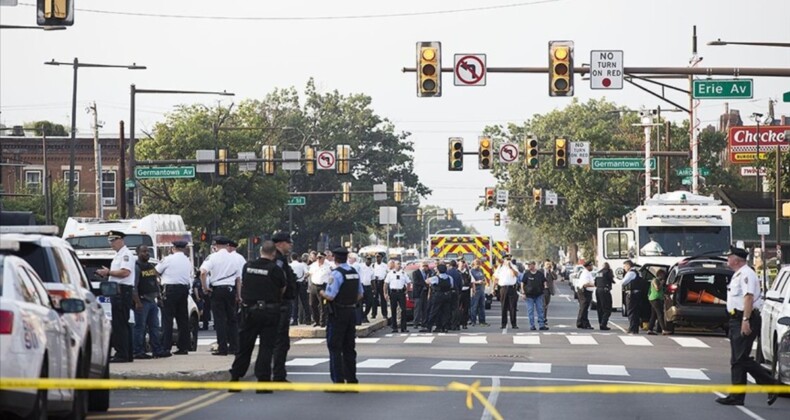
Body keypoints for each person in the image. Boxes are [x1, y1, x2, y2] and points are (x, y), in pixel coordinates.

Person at [715, 246, 779, 407]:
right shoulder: (738, 274)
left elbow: (748, 298)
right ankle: (737, 396)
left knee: (741, 358)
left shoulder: (746, 274)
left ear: (736, 259)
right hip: (736, 319)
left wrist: (745, 320)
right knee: (737, 359)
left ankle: (771, 384)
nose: (727, 259)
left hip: (745, 318)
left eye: (729, 257)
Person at [229, 241, 286, 393]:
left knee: (244, 346)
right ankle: (263, 382)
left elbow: (244, 282)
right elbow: (282, 288)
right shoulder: (275, 269)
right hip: (269, 312)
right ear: (274, 253)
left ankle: (235, 378)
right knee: (266, 348)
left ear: (260, 251)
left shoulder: (248, 266)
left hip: (249, 311)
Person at [320, 247, 363, 387]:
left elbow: (330, 296)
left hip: (338, 313)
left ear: (334, 257)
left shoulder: (336, 274)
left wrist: (320, 292)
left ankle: (338, 380)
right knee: (349, 347)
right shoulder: (354, 272)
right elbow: (360, 294)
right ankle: (351, 379)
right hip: (351, 312)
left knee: (335, 346)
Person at [97, 230, 136, 363]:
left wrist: (108, 273)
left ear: (120, 240)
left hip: (122, 291)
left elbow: (125, 272)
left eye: (113, 241)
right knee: (121, 324)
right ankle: (126, 353)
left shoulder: (126, 255)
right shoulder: (119, 255)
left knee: (121, 324)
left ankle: (122, 354)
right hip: (118, 292)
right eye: (110, 241)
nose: (111, 244)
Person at [201, 236, 241, 356]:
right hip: (231, 291)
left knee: (220, 320)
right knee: (232, 320)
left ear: (215, 245)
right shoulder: (234, 258)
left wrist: (205, 287)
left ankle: (222, 347)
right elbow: (238, 279)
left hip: (217, 290)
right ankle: (234, 347)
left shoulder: (212, 257)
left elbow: (203, 272)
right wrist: (238, 295)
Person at [132, 245, 169, 359]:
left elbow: (155, 283)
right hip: (142, 301)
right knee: (140, 327)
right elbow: (134, 286)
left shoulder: (151, 266)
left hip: (152, 301)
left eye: (148, 251)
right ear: (137, 252)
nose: (147, 253)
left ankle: (157, 350)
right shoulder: (136, 267)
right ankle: (138, 351)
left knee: (155, 327)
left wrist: (159, 297)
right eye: (143, 251)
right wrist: (137, 302)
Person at [157, 240, 194, 355]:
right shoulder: (187, 261)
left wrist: (160, 279)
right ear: (183, 248)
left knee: (167, 319)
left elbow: (156, 271)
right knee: (183, 320)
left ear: (173, 248)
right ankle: (183, 347)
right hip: (183, 290)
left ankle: (165, 347)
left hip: (170, 290)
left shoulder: (168, 259)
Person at [272, 231, 297, 383]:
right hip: (280, 306)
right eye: (288, 242)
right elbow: (280, 284)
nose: (291, 245)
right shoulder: (278, 261)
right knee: (280, 342)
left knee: (280, 341)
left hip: (279, 305)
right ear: (280, 244)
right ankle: (278, 375)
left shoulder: (281, 260)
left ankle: (278, 373)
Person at [420, 264, 453, 333]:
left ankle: (429, 327)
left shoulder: (436, 278)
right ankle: (444, 327)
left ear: (438, 270)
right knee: (445, 312)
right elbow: (451, 285)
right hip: (447, 296)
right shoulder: (450, 278)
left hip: (438, 296)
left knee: (434, 311)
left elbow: (426, 281)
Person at [493, 254, 519, 329]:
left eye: (509, 259)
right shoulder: (500, 267)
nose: (508, 260)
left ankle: (514, 324)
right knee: (503, 306)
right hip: (503, 288)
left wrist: (510, 267)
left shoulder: (514, 267)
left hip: (512, 288)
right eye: (507, 259)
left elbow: (515, 275)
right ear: (504, 260)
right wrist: (493, 288)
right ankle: (503, 323)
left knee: (512, 307)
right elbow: (496, 278)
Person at [621, 260, 646, 334]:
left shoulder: (631, 273)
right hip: (636, 294)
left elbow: (623, 282)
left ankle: (632, 328)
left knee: (631, 311)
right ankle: (634, 328)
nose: (624, 268)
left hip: (632, 295)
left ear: (628, 265)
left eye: (625, 266)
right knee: (635, 312)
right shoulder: (637, 272)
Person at [384, 260, 410, 333]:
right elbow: (385, 284)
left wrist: (407, 290)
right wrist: (385, 293)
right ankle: (394, 327)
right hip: (393, 293)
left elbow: (408, 282)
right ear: (394, 265)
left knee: (403, 310)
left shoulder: (403, 273)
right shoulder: (390, 273)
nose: (399, 265)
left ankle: (403, 327)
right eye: (397, 264)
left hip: (401, 292)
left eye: (399, 264)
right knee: (393, 310)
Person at [522, 261, 548, 331]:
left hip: (539, 295)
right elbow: (522, 283)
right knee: (530, 311)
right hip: (529, 296)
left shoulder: (540, 274)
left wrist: (545, 286)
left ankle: (541, 325)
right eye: (528, 265)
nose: (529, 266)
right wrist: (523, 293)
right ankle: (532, 325)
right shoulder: (526, 274)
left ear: (534, 265)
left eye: (530, 265)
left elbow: (544, 281)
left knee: (540, 310)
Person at [308, 252, 331, 327]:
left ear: (324, 258)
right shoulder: (313, 265)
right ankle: (316, 320)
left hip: (323, 287)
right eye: (318, 257)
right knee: (312, 304)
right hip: (314, 286)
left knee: (323, 305)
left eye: (320, 258)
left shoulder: (328, 266)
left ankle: (322, 322)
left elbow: (331, 277)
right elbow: (310, 274)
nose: (319, 259)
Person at [290, 253, 310, 326]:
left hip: (293, 284)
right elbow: (308, 273)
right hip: (301, 284)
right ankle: (308, 319)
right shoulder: (301, 265)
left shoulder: (290, 265)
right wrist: (303, 278)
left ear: (291, 258)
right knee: (305, 302)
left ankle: (295, 320)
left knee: (294, 303)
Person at [648, 269, 669, 335]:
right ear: (660, 274)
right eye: (663, 275)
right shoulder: (655, 280)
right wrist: (662, 283)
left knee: (653, 315)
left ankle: (650, 329)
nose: (664, 277)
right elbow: (657, 288)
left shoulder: (657, 280)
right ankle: (664, 329)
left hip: (656, 298)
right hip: (655, 299)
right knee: (660, 314)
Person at [595, 262, 615, 330]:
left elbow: (595, 282)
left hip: (598, 290)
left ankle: (600, 323)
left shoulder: (599, 272)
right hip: (605, 291)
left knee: (600, 308)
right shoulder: (608, 271)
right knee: (607, 308)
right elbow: (611, 280)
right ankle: (603, 324)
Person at [575, 261, 595, 330]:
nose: (592, 267)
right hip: (584, 292)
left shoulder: (587, 273)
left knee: (584, 308)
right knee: (584, 308)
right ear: (588, 266)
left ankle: (581, 322)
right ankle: (583, 323)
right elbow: (585, 284)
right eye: (591, 266)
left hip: (586, 292)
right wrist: (594, 284)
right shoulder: (585, 273)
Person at [468, 259, 488, 327]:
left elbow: (484, 278)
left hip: (482, 290)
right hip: (475, 290)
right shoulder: (471, 271)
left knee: (482, 306)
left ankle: (482, 321)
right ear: (474, 264)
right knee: (474, 306)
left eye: (479, 264)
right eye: (477, 264)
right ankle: (473, 320)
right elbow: (471, 281)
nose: (478, 265)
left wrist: (484, 282)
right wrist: (477, 282)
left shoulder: (481, 270)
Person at [371, 254, 389, 321]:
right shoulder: (373, 265)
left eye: (378, 257)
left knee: (383, 299)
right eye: (376, 257)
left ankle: (384, 314)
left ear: (381, 258)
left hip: (382, 282)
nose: (377, 258)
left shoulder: (384, 265)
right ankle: (373, 314)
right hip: (375, 282)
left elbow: (387, 273)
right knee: (374, 299)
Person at [359, 256, 375, 323]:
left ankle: (364, 315)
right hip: (361, 286)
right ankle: (363, 317)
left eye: (370, 260)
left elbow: (372, 280)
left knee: (369, 303)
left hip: (368, 287)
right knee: (360, 303)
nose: (369, 261)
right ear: (365, 260)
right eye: (368, 259)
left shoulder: (371, 269)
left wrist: (374, 289)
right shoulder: (361, 267)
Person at [457, 259, 472, 329]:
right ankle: (458, 322)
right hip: (459, 291)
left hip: (466, 291)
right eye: (461, 264)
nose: (462, 265)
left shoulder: (467, 272)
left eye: (463, 264)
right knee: (458, 307)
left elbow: (470, 280)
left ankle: (464, 323)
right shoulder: (457, 272)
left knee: (466, 308)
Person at [542, 260, 557, 324]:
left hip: (548, 290)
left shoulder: (551, 272)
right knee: (543, 304)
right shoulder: (540, 271)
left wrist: (552, 270)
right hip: (542, 290)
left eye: (549, 264)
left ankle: (544, 318)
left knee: (546, 305)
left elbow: (555, 277)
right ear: (544, 265)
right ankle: (542, 319)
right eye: (547, 264)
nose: (548, 265)